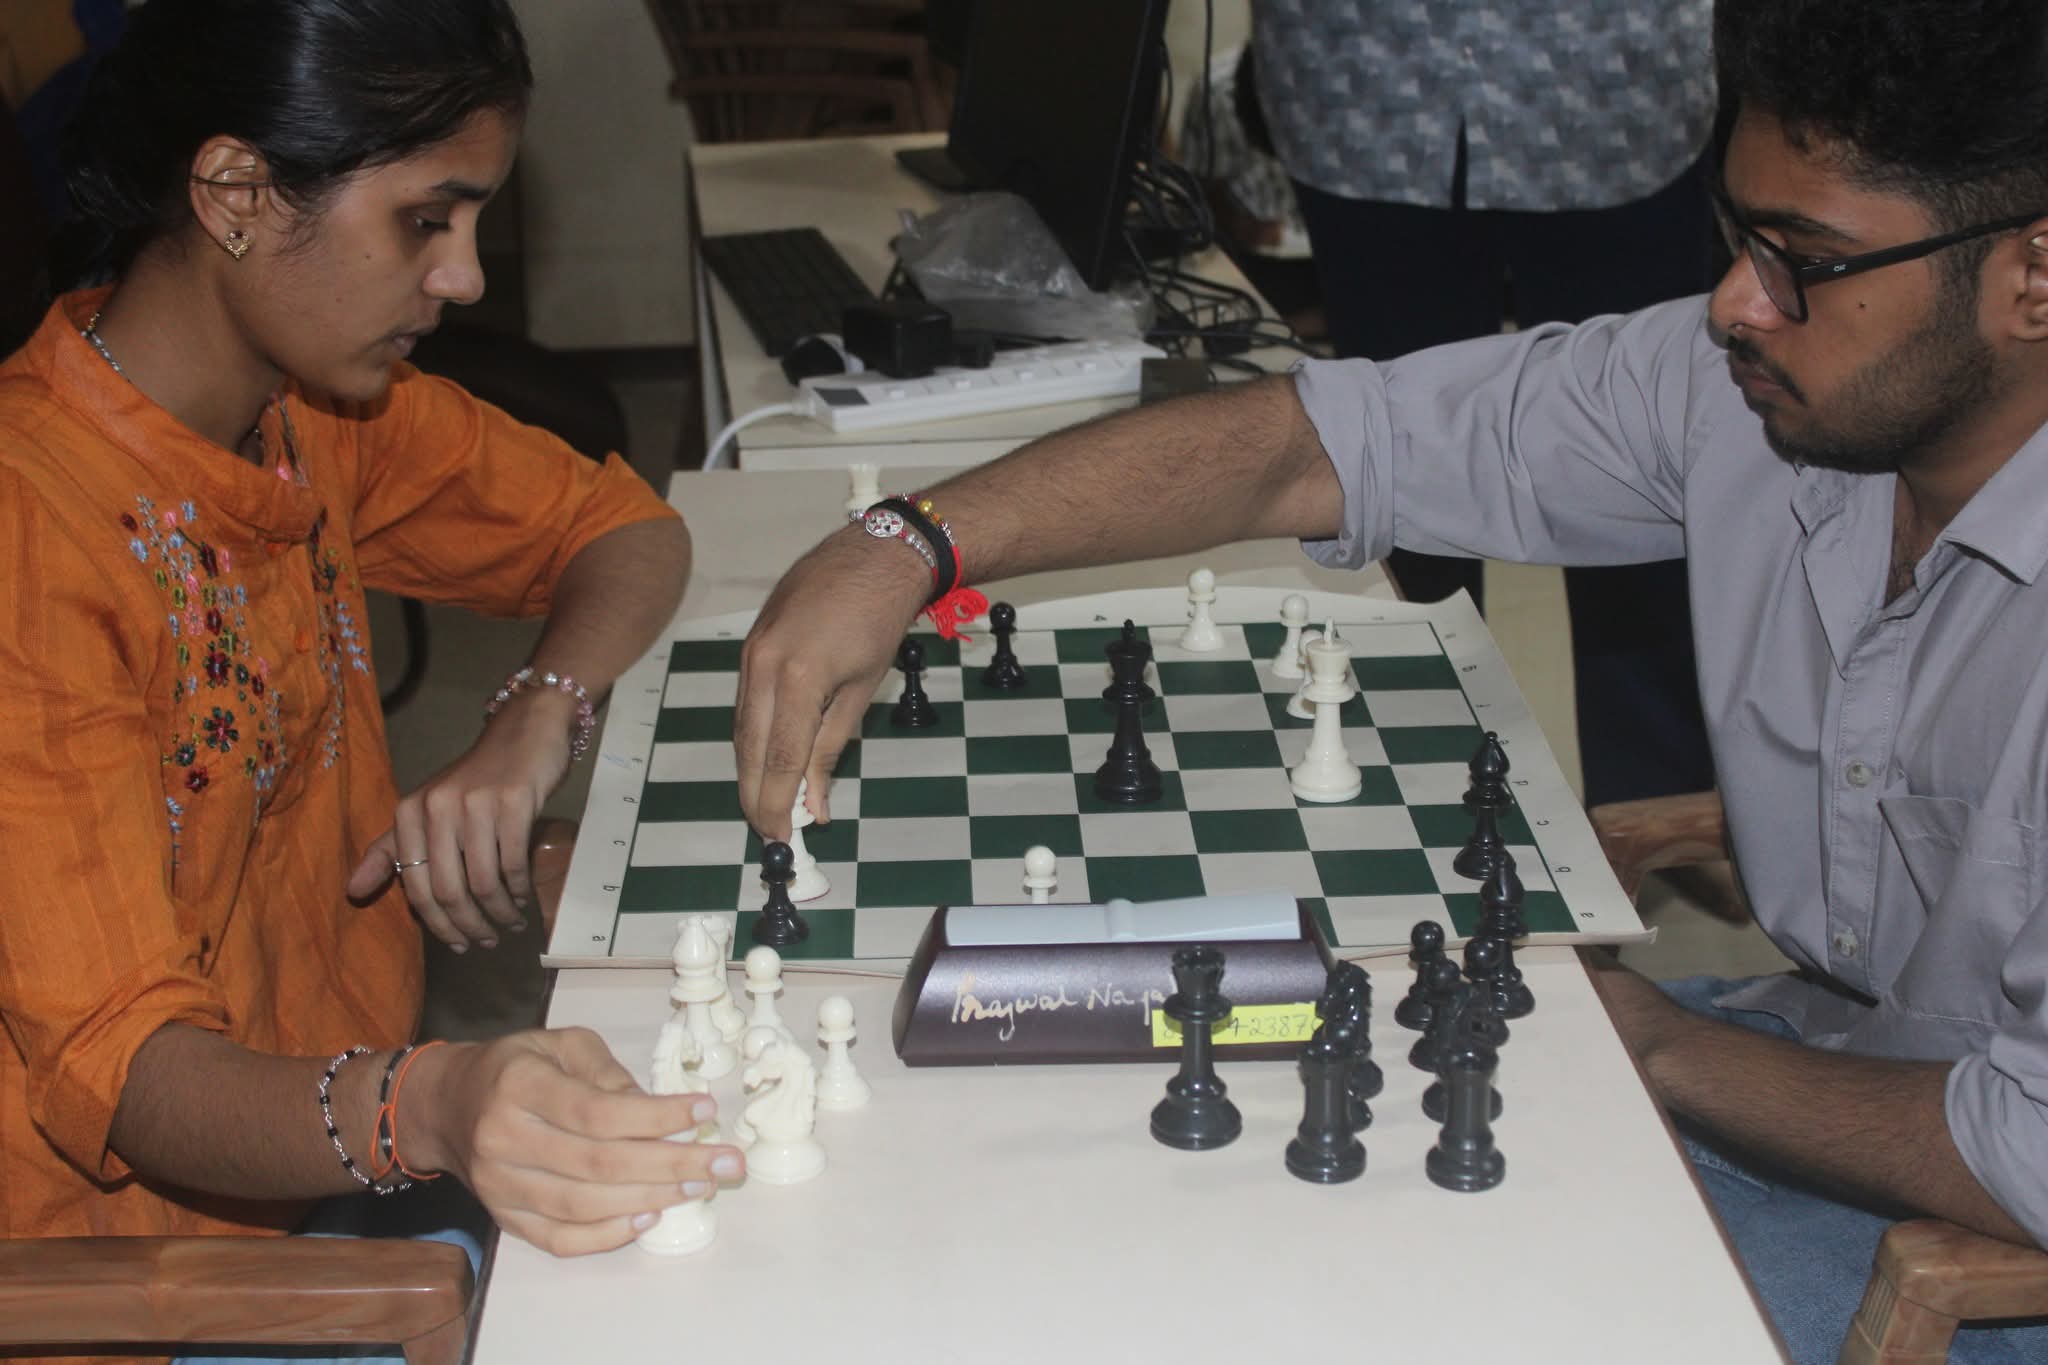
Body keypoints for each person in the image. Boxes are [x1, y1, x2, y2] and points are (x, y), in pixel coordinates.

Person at [736, 0, 2048, 1358]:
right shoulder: (1741, 392)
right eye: (1738, 238)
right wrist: (909, 542)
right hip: (1815, 1050)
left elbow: (2028, 1147)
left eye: (1805, 262)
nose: (1735, 303)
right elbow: (1319, 445)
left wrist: (1650, 1043)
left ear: (2032, 274)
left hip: (1966, 1247)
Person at [0, 0, 743, 1313]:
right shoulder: (32, 532)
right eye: (424, 221)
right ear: (235, 194)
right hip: (138, 1278)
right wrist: (435, 1104)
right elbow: (131, 1075)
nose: (463, 278)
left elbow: (622, 530)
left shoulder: (310, 410)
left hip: (343, 1145)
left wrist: (537, 713)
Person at [1251, 0, 1721, 811]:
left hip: (1614, 88)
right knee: (1386, 480)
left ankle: (1657, 814)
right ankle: (1412, 792)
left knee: (1643, 481)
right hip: (1367, 85)